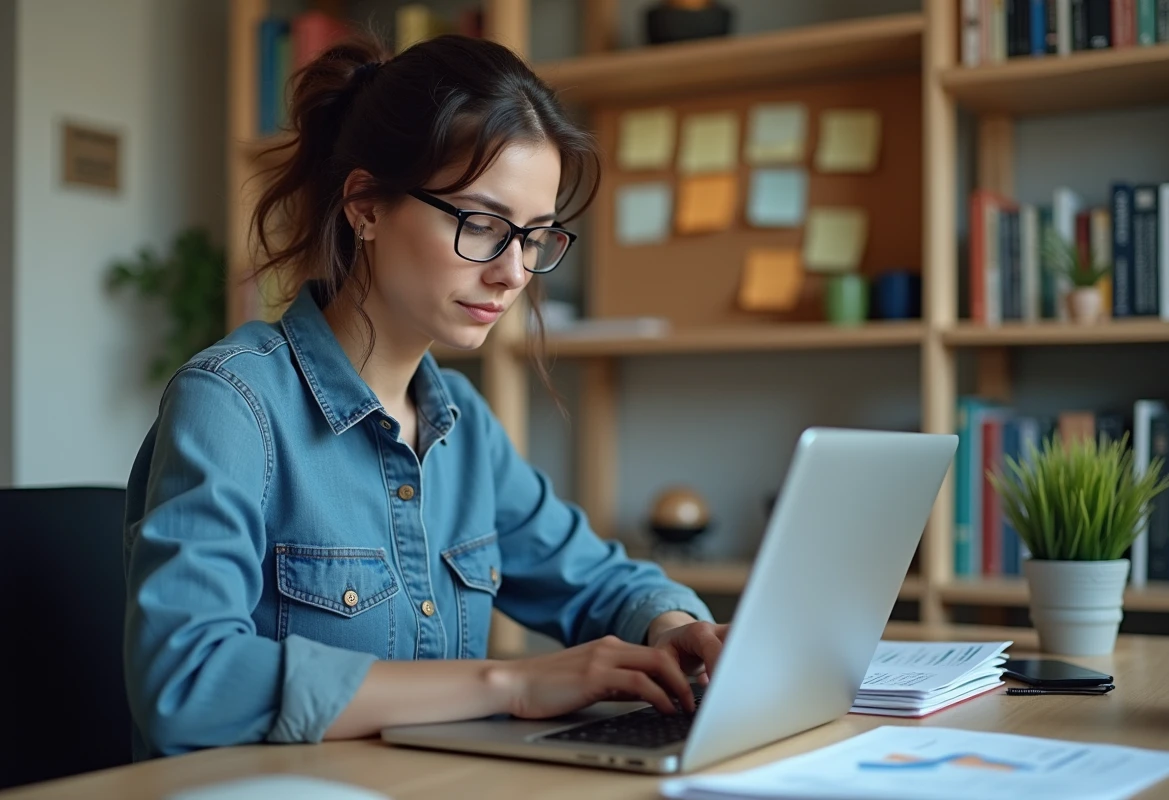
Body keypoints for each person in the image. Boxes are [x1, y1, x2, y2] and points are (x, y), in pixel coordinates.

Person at [121, 30, 727, 761]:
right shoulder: (232, 403)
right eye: (483, 225)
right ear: (367, 207)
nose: (514, 274)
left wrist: (674, 627)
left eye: (534, 237)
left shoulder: (462, 429)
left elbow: (598, 580)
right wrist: (509, 684)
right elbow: (188, 684)